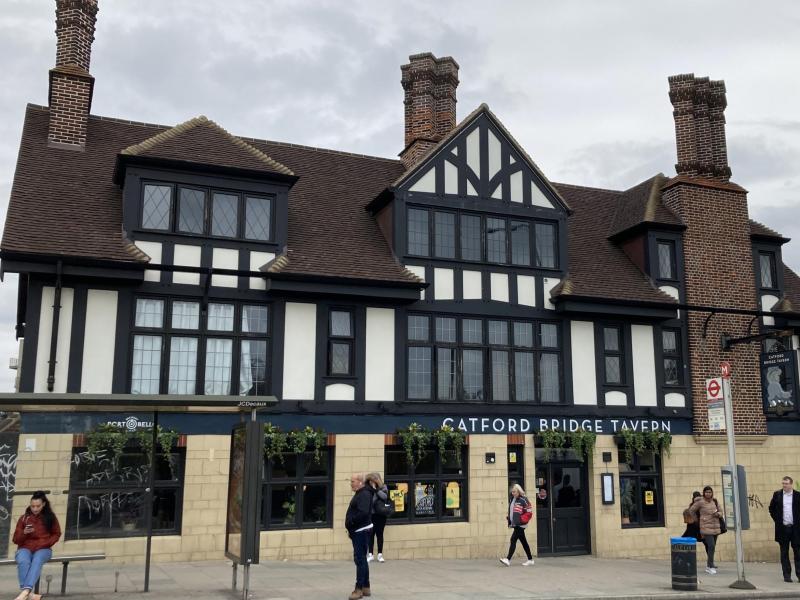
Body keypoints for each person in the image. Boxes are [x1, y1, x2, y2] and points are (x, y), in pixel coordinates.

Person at [13, 491, 61, 600]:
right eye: (32, 506)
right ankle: (28, 593)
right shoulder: (24, 518)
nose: (35, 509)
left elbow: (57, 533)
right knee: (23, 560)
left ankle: (25, 592)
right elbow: (15, 539)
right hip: (25, 547)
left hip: (43, 548)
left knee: (37, 559)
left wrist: (46, 542)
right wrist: (24, 533)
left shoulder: (50, 517)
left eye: (38, 506)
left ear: (43, 504)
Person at [345, 473, 374, 600]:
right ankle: (366, 587)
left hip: (361, 531)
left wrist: (351, 522)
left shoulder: (364, 494)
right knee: (362, 559)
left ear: (360, 482)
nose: (351, 484)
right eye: (351, 481)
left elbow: (363, 513)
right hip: (359, 530)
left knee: (360, 560)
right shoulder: (361, 493)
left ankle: (358, 589)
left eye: (353, 481)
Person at [768, 475, 800, 583]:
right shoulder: (777, 495)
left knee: (798, 552)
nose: (784, 485)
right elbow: (771, 508)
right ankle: (787, 575)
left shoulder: (798, 495)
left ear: (791, 484)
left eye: (786, 484)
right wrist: (777, 520)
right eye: (783, 483)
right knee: (784, 553)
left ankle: (799, 574)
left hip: (795, 529)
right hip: (783, 529)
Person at [688, 485, 722, 574]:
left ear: (712, 493)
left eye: (710, 492)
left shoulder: (715, 501)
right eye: (706, 492)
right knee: (711, 546)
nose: (708, 494)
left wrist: (718, 514)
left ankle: (708, 565)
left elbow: (721, 511)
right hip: (705, 527)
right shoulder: (700, 502)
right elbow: (691, 510)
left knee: (712, 547)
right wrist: (696, 520)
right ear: (704, 493)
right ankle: (711, 566)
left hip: (715, 527)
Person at [500, 484, 534, 567]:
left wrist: (521, 519)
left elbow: (529, 512)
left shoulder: (524, 500)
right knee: (523, 541)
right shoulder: (512, 499)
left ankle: (508, 559)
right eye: (512, 492)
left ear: (519, 491)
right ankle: (530, 559)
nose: (513, 493)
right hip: (515, 523)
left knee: (513, 539)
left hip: (521, 524)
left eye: (514, 492)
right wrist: (510, 518)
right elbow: (512, 510)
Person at [365, 472, 389, 563]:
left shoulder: (383, 487)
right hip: (371, 515)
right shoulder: (367, 489)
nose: (371, 483)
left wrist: (376, 490)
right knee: (370, 535)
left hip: (380, 515)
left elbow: (384, 497)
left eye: (373, 481)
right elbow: (370, 501)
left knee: (380, 534)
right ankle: (370, 554)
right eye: (370, 481)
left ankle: (380, 554)